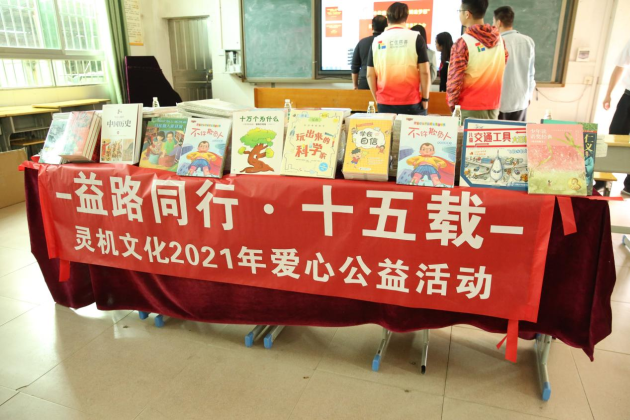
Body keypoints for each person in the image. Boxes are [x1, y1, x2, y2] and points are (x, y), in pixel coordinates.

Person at [447, 0, 508, 120]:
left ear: (467, 14)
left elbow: (455, 79)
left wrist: (452, 105)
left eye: (459, 11)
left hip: (468, 108)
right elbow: (503, 62)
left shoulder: (462, 43)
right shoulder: (500, 40)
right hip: (493, 106)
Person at [367, 2, 431, 116]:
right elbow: (425, 72)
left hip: (384, 102)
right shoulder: (416, 38)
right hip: (411, 102)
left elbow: (370, 74)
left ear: (388, 19)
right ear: (406, 18)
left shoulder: (377, 41)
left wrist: (377, 99)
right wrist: (425, 99)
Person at [493, 6, 535, 121]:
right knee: (517, 132)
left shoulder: (495, 43)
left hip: (500, 102)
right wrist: (529, 96)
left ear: (499, 23)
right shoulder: (528, 41)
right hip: (521, 101)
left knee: (497, 132)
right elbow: (531, 74)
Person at [603, 38, 630, 196]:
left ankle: (629, 185)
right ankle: (602, 178)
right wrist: (608, 94)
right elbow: (620, 67)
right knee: (614, 135)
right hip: (628, 96)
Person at [351, 16, 388, 90]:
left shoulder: (362, 42)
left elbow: (355, 66)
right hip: (385, 82)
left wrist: (355, 85)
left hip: (365, 83)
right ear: (386, 27)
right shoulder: (387, 42)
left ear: (372, 27)